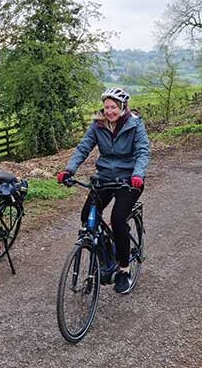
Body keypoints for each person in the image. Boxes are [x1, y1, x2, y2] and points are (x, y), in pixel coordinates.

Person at [57, 87, 150, 294]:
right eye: (107, 107)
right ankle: (106, 259)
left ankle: (124, 270)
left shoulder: (135, 124)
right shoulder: (98, 125)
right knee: (87, 216)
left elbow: (143, 151)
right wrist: (69, 169)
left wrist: (138, 174)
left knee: (118, 220)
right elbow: (83, 148)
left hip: (129, 180)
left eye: (114, 107)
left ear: (123, 107)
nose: (109, 111)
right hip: (105, 178)